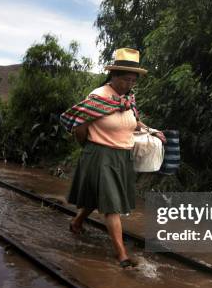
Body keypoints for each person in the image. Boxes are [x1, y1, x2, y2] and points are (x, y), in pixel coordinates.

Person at [61, 48, 165, 268]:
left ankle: (76, 222)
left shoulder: (127, 99)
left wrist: (152, 130)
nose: (130, 84)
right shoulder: (98, 97)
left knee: (102, 197)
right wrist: (89, 149)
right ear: (114, 76)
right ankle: (121, 254)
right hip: (101, 154)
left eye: (133, 80)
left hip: (122, 155)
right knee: (112, 206)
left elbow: (135, 122)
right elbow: (80, 127)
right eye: (126, 79)